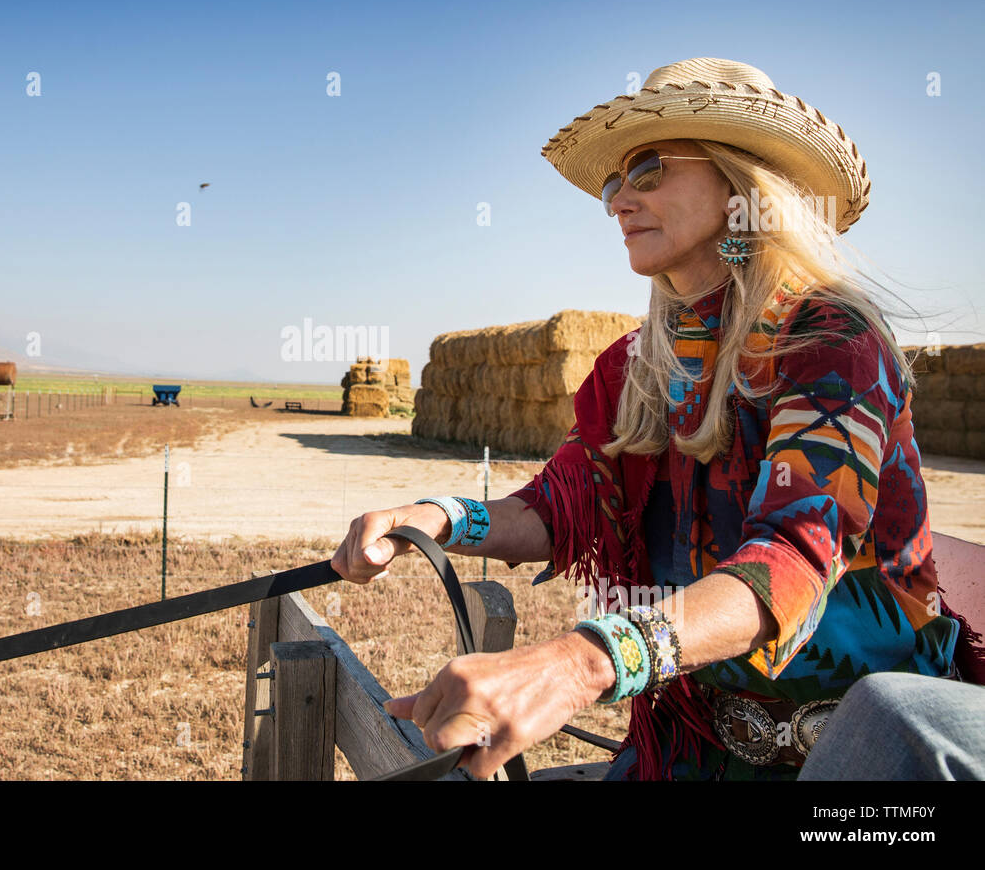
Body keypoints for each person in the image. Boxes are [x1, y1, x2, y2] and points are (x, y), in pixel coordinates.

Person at [330, 57, 985, 780]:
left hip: (874, 759)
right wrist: (443, 518)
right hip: (692, 749)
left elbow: (794, 559)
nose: (618, 201)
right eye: (613, 184)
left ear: (740, 186)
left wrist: (581, 664)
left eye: (649, 173)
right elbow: (561, 504)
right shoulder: (633, 366)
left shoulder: (832, 344)